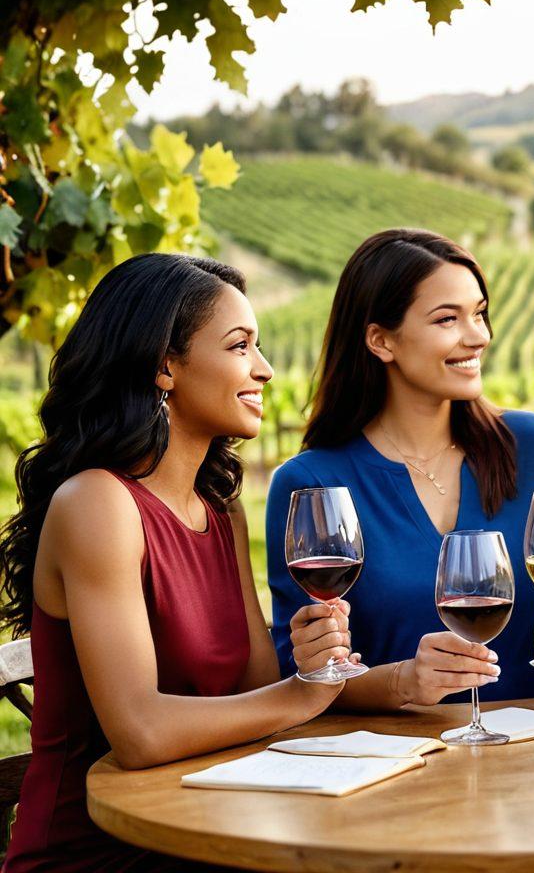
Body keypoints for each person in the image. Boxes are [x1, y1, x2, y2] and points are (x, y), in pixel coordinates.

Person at [0, 254, 353, 872]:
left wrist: (308, 661)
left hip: (214, 833)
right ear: (165, 365)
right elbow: (140, 734)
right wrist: (301, 695)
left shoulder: (220, 511)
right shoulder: (97, 503)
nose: (264, 370)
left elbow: (252, 690)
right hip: (99, 856)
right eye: (240, 346)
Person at [266, 228, 534, 708]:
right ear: (381, 340)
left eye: (480, 314)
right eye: (447, 319)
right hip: (386, 766)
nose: (478, 337)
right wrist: (402, 681)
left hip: (524, 756)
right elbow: (301, 675)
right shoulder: (309, 484)